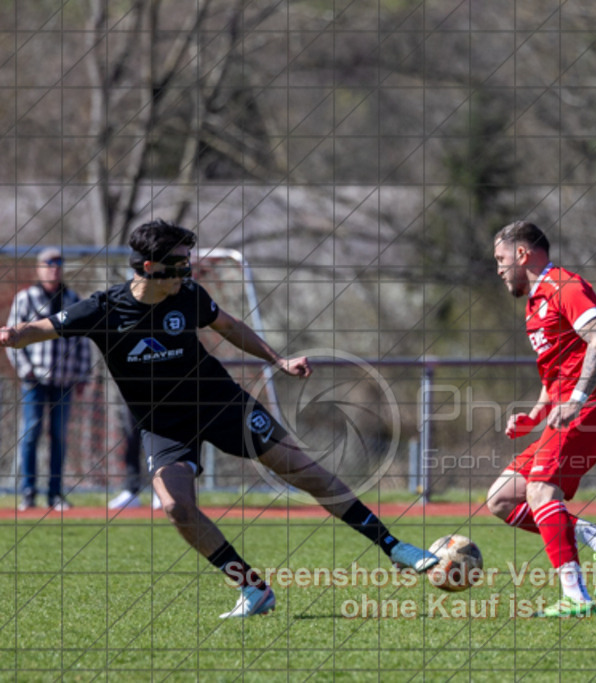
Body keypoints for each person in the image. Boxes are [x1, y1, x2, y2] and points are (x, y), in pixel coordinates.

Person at [0, 220, 437, 618]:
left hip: (221, 404)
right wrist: (13, 335)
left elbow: (229, 327)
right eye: (179, 265)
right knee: (176, 507)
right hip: (163, 426)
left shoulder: (188, 296)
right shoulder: (103, 308)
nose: (187, 272)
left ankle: (395, 547)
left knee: (306, 472)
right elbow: (38, 329)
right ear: (150, 267)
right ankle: (252, 588)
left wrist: (278, 360)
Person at [486, 221, 596, 618]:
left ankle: (576, 597)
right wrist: (536, 413)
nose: (498, 269)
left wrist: (578, 398)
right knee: (502, 498)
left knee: (540, 491)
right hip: (569, 411)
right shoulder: (534, 303)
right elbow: (556, 371)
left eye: (501, 259)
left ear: (522, 254)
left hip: (592, 408)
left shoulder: (565, 287)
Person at [5, 247, 92, 512]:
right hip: (34, 380)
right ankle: (28, 492)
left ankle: (55, 494)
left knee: (59, 436)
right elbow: (11, 337)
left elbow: (82, 340)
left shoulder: (72, 299)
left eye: (58, 263)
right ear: (39, 268)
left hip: (64, 380)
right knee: (31, 433)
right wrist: (25, 369)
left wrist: (82, 375)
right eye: (48, 263)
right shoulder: (26, 298)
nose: (54, 268)